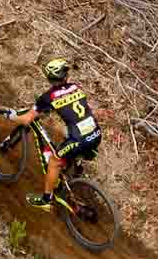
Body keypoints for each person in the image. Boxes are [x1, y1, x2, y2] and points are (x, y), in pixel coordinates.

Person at [11, 57, 101, 209]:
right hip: (96, 133)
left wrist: (11, 115)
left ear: (49, 77)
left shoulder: (47, 97)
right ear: (65, 77)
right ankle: (77, 167)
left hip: (80, 139)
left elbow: (27, 119)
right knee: (71, 136)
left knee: (54, 161)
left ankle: (46, 199)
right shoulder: (75, 87)